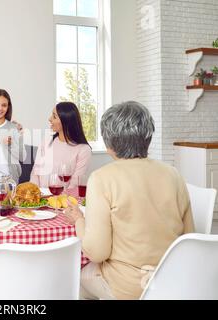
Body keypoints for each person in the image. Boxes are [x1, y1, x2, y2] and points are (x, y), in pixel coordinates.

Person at [64, 101, 195, 300]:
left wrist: (79, 221)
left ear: (109, 144)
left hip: (127, 288)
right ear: (148, 137)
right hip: (171, 283)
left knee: (74, 278)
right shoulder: (173, 174)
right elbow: (189, 239)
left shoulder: (101, 178)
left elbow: (97, 252)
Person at [30, 102, 92, 189]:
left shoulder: (83, 149)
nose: (49, 119)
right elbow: (35, 172)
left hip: (64, 200)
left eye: (54, 116)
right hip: (40, 199)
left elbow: (75, 183)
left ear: (66, 120)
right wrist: (35, 194)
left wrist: (58, 200)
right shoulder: (46, 141)